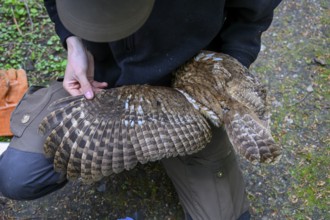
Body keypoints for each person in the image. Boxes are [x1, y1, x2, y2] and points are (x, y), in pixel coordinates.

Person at [0, 0, 282, 219]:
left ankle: (167, 145)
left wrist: (230, 67)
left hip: (188, 88)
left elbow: (253, 13)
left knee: (226, 216)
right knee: (19, 175)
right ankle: (126, 144)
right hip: (103, 82)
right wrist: (73, 40)